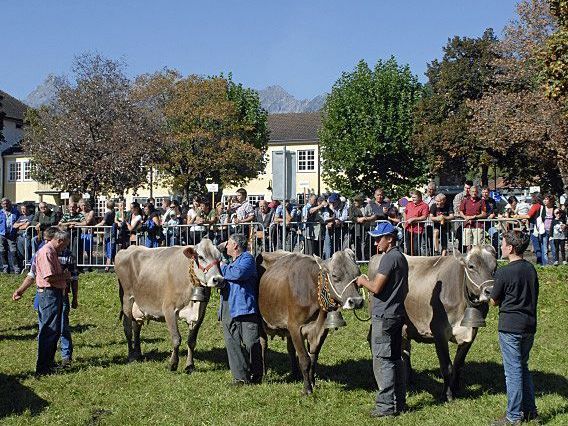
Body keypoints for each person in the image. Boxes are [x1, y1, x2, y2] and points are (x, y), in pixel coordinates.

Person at [356, 222, 408, 418]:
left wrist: (363, 282)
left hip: (384, 317)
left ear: (390, 239)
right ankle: (399, 402)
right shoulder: (401, 258)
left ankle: (385, 407)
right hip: (396, 314)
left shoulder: (388, 259)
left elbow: (376, 287)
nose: (376, 242)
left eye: (380, 238)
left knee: (383, 361)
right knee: (396, 359)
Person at [490, 230, 539, 425]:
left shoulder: (504, 272)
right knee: (523, 367)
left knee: (513, 372)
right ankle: (530, 411)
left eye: (502, 244)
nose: (501, 247)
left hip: (510, 327)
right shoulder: (530, 268)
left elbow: (494, 301)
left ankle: (512, 416)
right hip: (529, 325)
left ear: (510, 248)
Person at [218, 234, 263, 385]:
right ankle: (240, 378)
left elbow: (238, 273)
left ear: (236, 246)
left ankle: (256, 374)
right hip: (227, 305)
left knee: (251, 342)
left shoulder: (247, 259)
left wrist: (223, 267)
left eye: (229, 244)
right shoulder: (232, 261)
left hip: (245, 307)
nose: (226, 246)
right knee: (232, 343)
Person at [32, 229, 72, 375]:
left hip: (54, 293)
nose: (65, 248)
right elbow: (49, 277)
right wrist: (65, 275)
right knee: (49, 330)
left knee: (53, 330)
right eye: (64, 245)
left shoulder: (51, 252)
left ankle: (48, 363)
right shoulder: (47, 253)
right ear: (59, 240)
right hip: (49, 294)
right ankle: (43, 367)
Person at [459, 185, 487, 250]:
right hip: (467, 225)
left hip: (478, 225)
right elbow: (461, 212)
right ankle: (469, 259)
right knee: (468, 245)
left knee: (477, 246)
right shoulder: (465, 200)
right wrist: (466, 217)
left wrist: (474, 217)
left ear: (477, 192)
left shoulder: (481, 201)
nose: (474, 193)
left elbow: (484, 214)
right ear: (470, 192)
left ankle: (477, 259)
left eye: (475, 191)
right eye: (472, 191)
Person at [403, 190, 429, 256]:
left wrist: (413, 219)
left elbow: (424, 217)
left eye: (414, 197)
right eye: (412, 197)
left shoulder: (424, 205)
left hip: (417, 230)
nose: (413, 199)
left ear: (420, 197)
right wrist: (405, 221)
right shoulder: (409, 204)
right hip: (408, 228)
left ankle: (417, 263)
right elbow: (404, 212)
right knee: (408, 248)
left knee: (416, 249)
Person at [96, 200, 116, 271]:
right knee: (111, 250)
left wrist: (95, 226)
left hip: (109, 234)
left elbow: (102, 222)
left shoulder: (108, 213)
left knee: (109, 250)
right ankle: (114, 266)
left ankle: (107, 267)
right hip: (111, 233)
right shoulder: (114, 213)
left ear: (106, 206)